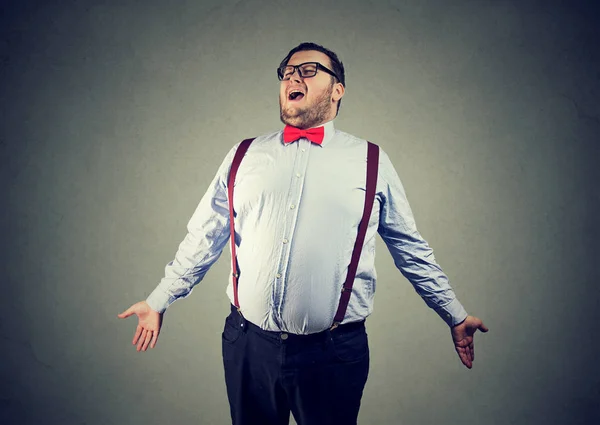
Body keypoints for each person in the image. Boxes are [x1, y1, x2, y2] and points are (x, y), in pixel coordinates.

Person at [118, 42, 489, 425]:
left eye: (309, 70)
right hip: (247, 345)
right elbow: (205, 235)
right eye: (287, 71)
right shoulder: (243, 154)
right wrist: (159, 299)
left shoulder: (372, 161)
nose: (293, 76)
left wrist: (454, 314)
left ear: (337, 89)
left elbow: (410, 249)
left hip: (332, 353)